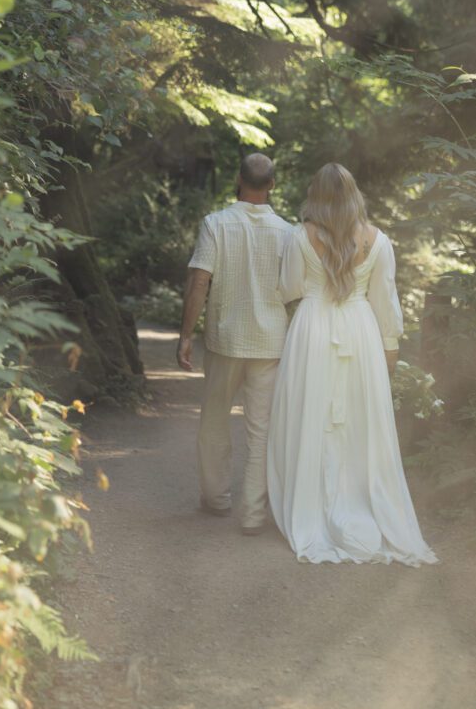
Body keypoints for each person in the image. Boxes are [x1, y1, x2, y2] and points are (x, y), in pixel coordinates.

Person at [267, 163, 438, 566]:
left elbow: (289, 289)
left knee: (310, 414)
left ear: (316, 195)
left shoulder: (299, 236)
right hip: (361, 330)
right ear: (355, 195)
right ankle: (359, 503)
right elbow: (385, 300)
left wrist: (308, 288)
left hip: (312, 329)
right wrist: (390, 348)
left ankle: (312, 507)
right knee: (361, 423)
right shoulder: (378, 241)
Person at [177, 153, 291, 535]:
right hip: (271, 343)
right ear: (272, 185)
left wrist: (185, 335)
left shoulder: (216, 224)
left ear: (238, 179)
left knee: (214, 420)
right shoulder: (288, 233)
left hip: (226, 339)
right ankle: (254, 513)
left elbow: (199, 281)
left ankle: (216, 498)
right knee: (262, 429)